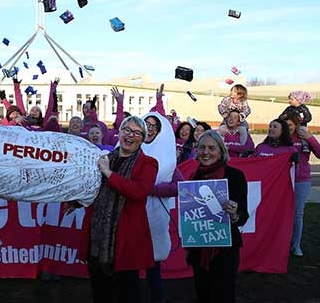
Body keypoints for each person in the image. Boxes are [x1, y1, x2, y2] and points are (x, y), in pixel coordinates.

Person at [88, 115, 158, 303]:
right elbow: (93, 189)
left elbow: (139, 192)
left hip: (126, 240)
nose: (130, 135)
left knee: (127, 293)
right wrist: (76, 202)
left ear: (143, 139)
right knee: (101, 293)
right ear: (118, 132)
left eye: (136, 132)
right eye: (126, 130)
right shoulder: (104, 159)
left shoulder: (149, 163)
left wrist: (108, 174)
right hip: (98, 237)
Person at [185, 130, 248, 303]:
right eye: (202, 147)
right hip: (200, 248)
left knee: (224, 294)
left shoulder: (235, 176)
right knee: (202, 292)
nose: (206, 152)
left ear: (221, 151)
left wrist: (235, 213)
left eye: (212, 148)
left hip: (225, 250)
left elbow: (244, 216)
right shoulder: (194, 177)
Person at [141, 111, 177, 303]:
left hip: (155, 217)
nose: (150, 129)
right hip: (131, 215)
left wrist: (151, 189)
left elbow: (178, 187)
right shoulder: (129, 149)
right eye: (146, 124)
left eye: (154, 126)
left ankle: (158, 298)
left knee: (153, 265)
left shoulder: (168, 158)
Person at [281, 113, 320, 256]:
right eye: (285, 125)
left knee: (297, 214)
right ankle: (280, 243)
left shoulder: (303, 139)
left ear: (296, 126)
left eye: (290, 125)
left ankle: (296, 245)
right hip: (281, 180)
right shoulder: (277, 138)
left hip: (301, 180)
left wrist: (310, 138)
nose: (287, 128)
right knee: (280, 213)